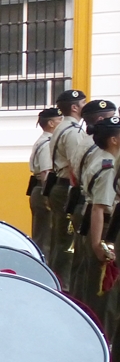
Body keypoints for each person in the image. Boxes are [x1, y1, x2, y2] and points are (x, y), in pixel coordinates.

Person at [71, 117, 120, 322]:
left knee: (91, 281)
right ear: (114, 140)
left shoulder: (101, 158)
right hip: (105, 225)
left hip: (97, 220)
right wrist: (98, 244)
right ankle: (102, 334)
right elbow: (99, 208)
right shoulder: (108, 167)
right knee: (105, 289)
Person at [45, 89, 87, 290]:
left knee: (59, 239)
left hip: (58, 186)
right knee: (67, 243)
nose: (85, 106)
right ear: (74, 107)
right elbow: (75, 166)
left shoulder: (61, 127)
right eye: (83, 103)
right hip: (67, 188)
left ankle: (55, 281)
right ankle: (63, 286)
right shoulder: (73, 131)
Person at [29, 107, 62, 256]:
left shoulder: (47, 141)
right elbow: (46, 173)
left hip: (40, 190)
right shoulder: (48, 143)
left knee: (44, 235)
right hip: (44, 191)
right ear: (51, 123)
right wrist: (49, 197)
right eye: (59, 120)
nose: (62, 123)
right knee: (45, 238)